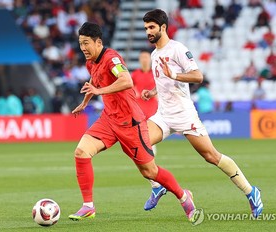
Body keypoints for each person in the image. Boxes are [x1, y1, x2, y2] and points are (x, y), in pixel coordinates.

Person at [68, 22, 198, 223]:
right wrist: (84, 102)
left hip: (130, 123)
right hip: (109, 119)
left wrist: (99, 92)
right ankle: (88, 206)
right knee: (81, 152)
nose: (83, 48)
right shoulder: (90, 62)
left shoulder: (112, 58)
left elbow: (126, 80)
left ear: (98, 42)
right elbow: (94, 82)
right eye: (80, 44)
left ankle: (183, 196)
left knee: (150, 171)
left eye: (86, 43)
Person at [141, 9, 263, 218]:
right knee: (140, 144)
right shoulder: (154, 54)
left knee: (211, 156)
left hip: (184, 115)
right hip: (163, 115)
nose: (148, 32)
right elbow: (164, 81)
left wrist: (175, 74)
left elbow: (198, 76)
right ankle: (157, 186)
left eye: (151, 27)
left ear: (162, 27)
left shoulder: (178, 49)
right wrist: (152, 91)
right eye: (146, 28)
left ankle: (251, 192)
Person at [132, 49, 158, 154]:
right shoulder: (135, 74)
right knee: (139, 132)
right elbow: (129, 86)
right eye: (142, 57)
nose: (144, 60)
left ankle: (150, 151)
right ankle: (144, 152)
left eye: (146, 57)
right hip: (139, 108)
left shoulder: (155, 73)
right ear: (139, 59)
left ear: (150, 59)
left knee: (150, 131)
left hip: (153, 107)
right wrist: (135, 90)